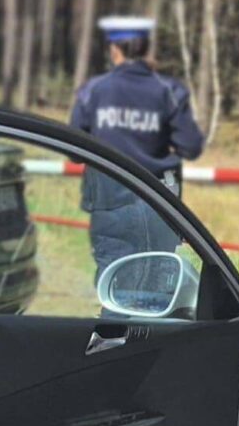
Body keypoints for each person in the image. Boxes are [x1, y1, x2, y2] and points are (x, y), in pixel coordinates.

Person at [70, 16, 204, 277]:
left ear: (114, 50)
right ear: (145, 48)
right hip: (160, 200)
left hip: (109, 201)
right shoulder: (170, 90)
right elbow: (191, 146)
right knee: (160, 288)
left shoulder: (93, 90)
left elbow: (75, 150)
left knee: (114, 283)